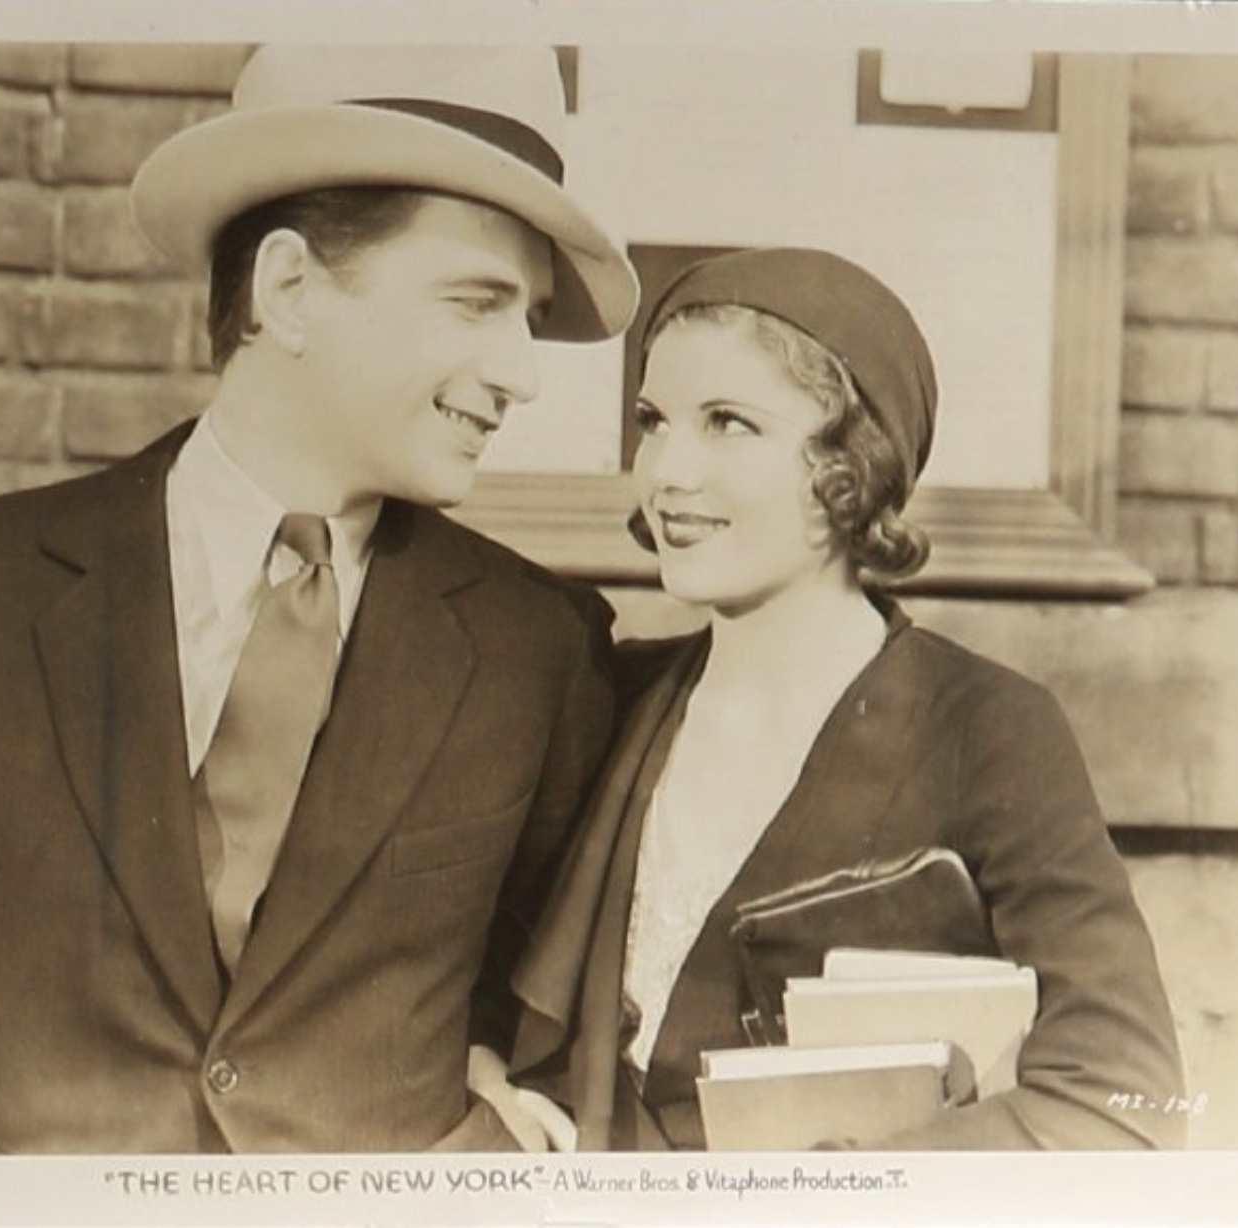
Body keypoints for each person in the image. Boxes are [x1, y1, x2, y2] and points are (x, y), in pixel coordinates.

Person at [0, 44, 638, 1155]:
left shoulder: (539, 650)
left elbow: (531, 1006)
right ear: (288, 289)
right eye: (477, 302)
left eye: (529, 317)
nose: (520, 369)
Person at [503, 247, 1187, 1150]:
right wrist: (483, 1075)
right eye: (653, 420)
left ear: (851, 465)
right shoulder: (605, 696)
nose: (668, 469)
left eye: (728, 424)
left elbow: (1120, 1102)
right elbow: (463, 994)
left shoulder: (986, 727)